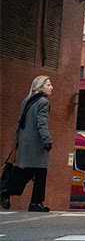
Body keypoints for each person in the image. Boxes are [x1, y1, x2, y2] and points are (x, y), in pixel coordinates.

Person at [1, 76, 54, 212]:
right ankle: (35, 203)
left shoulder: (26, 101)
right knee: (41, 172)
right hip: (37, 144)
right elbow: (41, 123)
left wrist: (18, 140)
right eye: (48, 85)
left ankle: (6, 191)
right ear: (40, 88)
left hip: (26, 143)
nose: (51, 87)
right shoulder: (43, 102)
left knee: (29, 172)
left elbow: (19, 122)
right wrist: (47, 140)